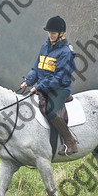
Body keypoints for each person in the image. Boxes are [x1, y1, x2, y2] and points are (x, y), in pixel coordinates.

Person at [20, 16, 78, 155]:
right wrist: (28, 81)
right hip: (43, 86)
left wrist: (39, 87)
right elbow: (36, 68)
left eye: (53, 33)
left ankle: (70, 142)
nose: (50, 35)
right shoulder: (45, 47)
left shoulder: (66, 52)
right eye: (49, 33)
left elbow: (58, 78)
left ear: (61, 34)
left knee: (51, 111)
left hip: (59, 88)